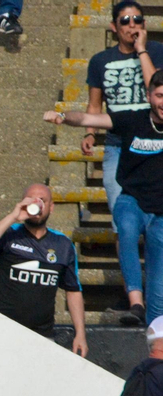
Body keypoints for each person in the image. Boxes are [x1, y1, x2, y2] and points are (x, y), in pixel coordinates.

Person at [47, 65, 163, 327]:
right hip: (132, 200)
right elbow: (88, 119)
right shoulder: (133, 119)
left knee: (158, 284)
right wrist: (62, 116)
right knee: (127, 229)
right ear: (149, 96)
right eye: (159, 96)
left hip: (161, 212)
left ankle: (153, 330)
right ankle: (135, 302)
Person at [80, 2, 163, 325]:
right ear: (114, 26)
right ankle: (134, 299)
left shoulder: (156, 52)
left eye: (137, 19)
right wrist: (90, 133)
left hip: (154, 137)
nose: (132, 25)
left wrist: (141, 50)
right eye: (125, 20)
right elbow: (94, 103)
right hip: (118, 142)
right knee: (123, 222)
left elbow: (155, 88)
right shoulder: (101, 60)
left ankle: (154, 300)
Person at [0, 184, 86, 355]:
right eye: (31, 199)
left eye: (42, 200)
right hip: (3, 330)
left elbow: (73, 290)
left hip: (42, 335)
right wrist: (13, 216)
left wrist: (80, 334)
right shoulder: (9, 234)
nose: (37, 204)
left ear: (51, 207)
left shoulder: (63, 244)